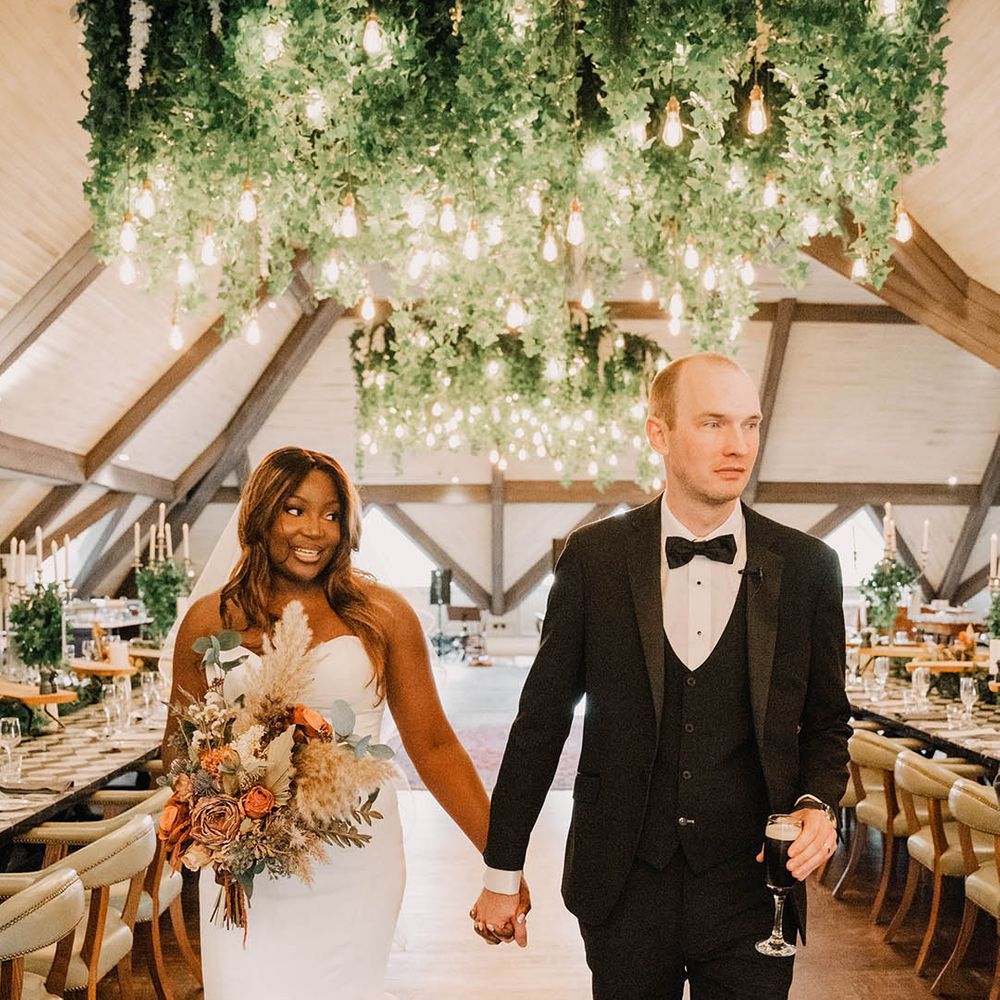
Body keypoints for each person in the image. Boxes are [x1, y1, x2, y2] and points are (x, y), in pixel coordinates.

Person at [470, 353, 851, 998]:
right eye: (712, 424)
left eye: (750, 425)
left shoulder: (809, 566)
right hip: (623, 884)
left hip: (753, 891)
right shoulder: (594, 557)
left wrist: (818, 805)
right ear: (659, 433)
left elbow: (826, 723)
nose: (738, 446)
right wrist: (502, 871)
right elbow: (542, 720)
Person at [163, 446, 527, 999]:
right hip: (247, 872)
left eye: (332, 515)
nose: (316, 530)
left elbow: (432, 744)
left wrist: (500, 863)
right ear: (260, 514)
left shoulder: (383, 616)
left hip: (355, 861)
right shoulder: (210, 619)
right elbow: (176, 744)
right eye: (295, 509)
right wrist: (226, 797)